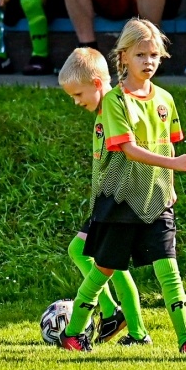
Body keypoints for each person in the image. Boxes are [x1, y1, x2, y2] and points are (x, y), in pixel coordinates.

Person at [55, 21, 186, 355]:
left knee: (169, 272)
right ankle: (74, 335)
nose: (149, 61)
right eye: (140, 54)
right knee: (102, 270)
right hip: (119, 202)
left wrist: (169, 184)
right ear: (123, 57)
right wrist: (173, 165)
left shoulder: (166, 100)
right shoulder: (116, 101)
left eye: (154, 54)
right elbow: (128, 148)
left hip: (156, 201)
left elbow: (168, 146)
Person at [56, 46, 150, 347]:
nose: (75, 102)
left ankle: (120, 319)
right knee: (96, 256)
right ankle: (128, 325)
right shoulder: (104, 109)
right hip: (109, 198)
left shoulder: (114, 107)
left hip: (120, 197)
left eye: (78, 95)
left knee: (95, 255)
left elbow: (135, 149)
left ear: (97, 84)